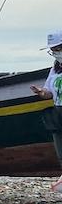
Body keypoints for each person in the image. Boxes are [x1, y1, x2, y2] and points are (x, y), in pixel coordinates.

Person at [31, 30, 62, 191]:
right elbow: (49, 92)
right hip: (58, 112)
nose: (56, 53)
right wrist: (41, 92)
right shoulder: (55, 69)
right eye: (54, 50)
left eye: (58, 48)